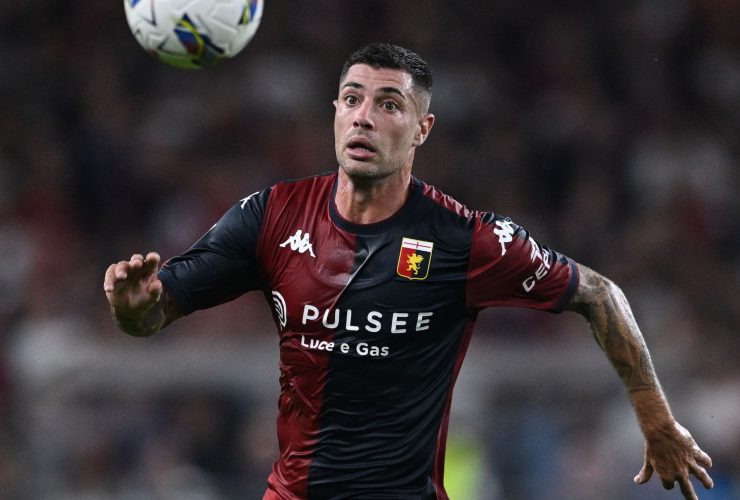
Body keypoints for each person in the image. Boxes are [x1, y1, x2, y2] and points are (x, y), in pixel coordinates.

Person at [103, 43, 714, 499]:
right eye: (351, 99)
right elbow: (153, 316)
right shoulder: (270, 216)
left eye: (388, 104)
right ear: (335, 113)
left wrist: (656, 419)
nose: (364, 116)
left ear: (422, 128)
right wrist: (134, 310)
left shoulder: (465, 239)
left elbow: (599, 294)